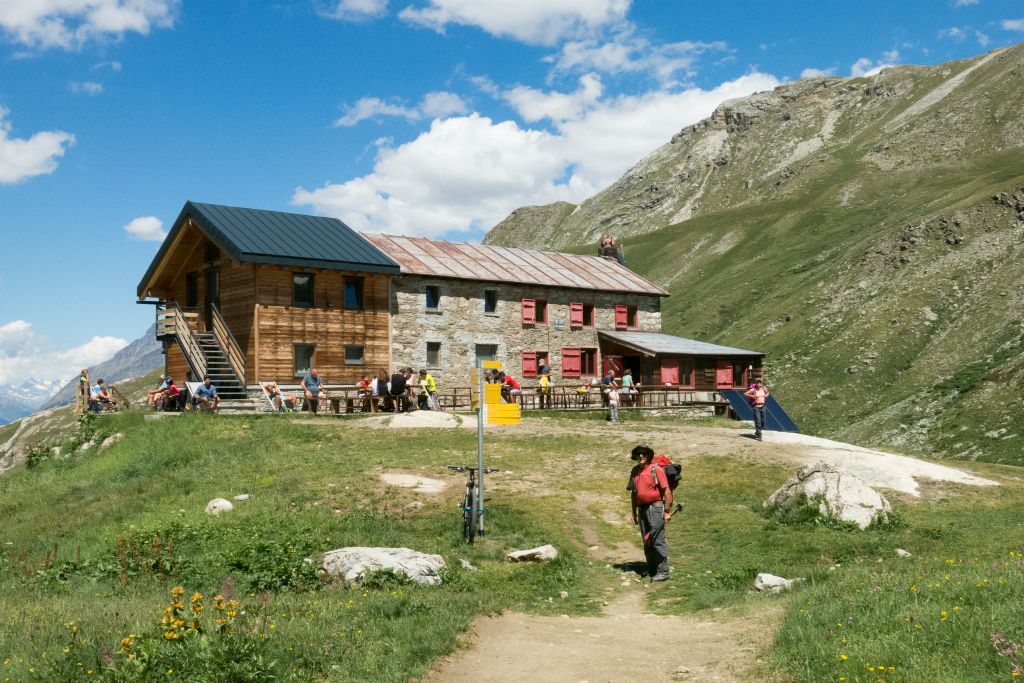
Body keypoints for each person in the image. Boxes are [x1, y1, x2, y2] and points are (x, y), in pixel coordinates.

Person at [628, 444, 674, 581]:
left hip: (655, 508)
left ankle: (663, 572)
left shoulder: (656, 469)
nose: (641, 456)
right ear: (635, 457)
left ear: (648, 456)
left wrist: (666, 511)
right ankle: (652, 569)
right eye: (638, 454)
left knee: (657, 539)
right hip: (642, 509)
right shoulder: (635, 471)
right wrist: (634, 513)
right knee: (647, 540)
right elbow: (633, 494)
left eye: (644, 454)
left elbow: (667, 492)